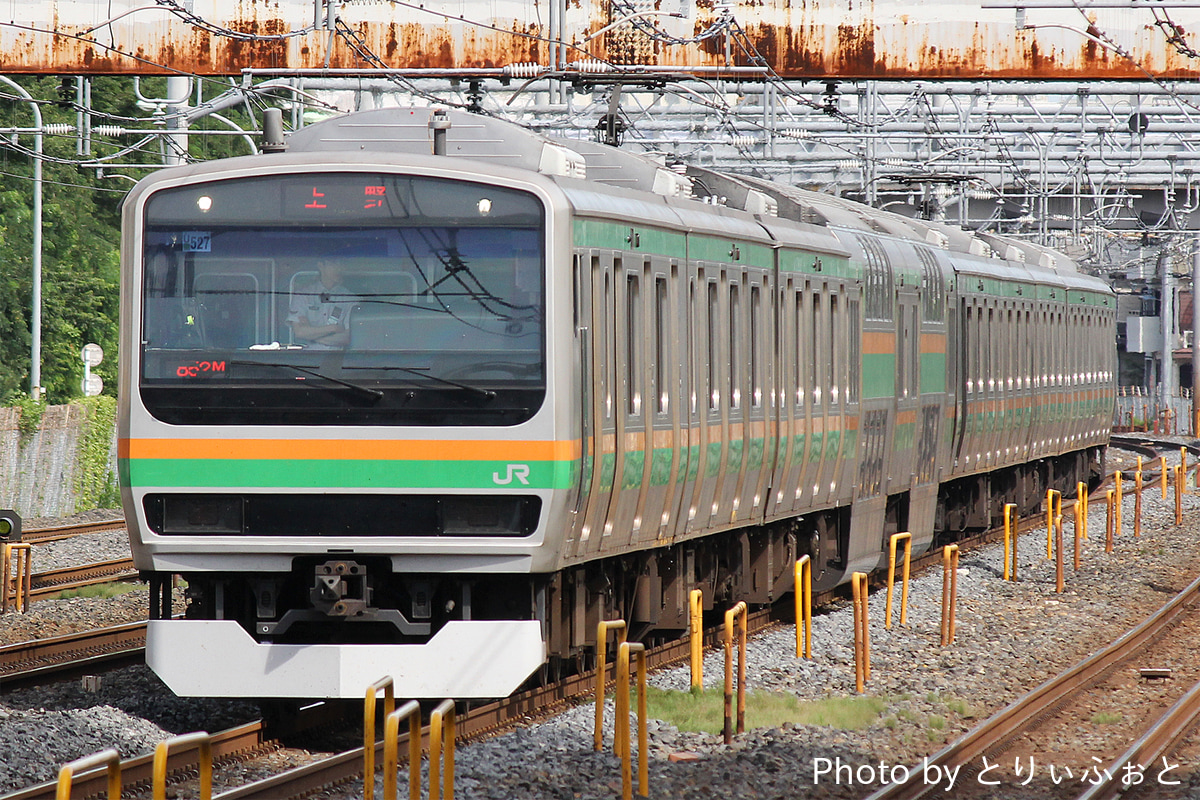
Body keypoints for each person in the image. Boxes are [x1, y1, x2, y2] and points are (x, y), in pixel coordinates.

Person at [287, 259, 353, 348]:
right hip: (307, 358)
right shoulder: (303, 295)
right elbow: (299, 332)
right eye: (333, 263)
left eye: (341, 264)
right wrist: (332, 328)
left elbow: (348, 337)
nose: (338, 268)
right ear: (321, 266)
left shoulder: (351, 298)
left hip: (339, 358)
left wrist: (311, 336)